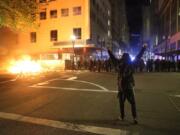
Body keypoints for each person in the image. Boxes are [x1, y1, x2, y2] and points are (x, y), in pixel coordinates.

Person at [107, 45, 146, 124]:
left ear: (122, 57)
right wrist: (143, 48)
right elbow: (138, 56)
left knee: (121, 103)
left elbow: (113, 58)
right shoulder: (131, 64)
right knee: (133, 103)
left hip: (121, 87)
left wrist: (109, 51)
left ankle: (122, 116)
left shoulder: (119, 64)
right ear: (128, 58)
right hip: (128, 86)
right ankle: (135, 118)